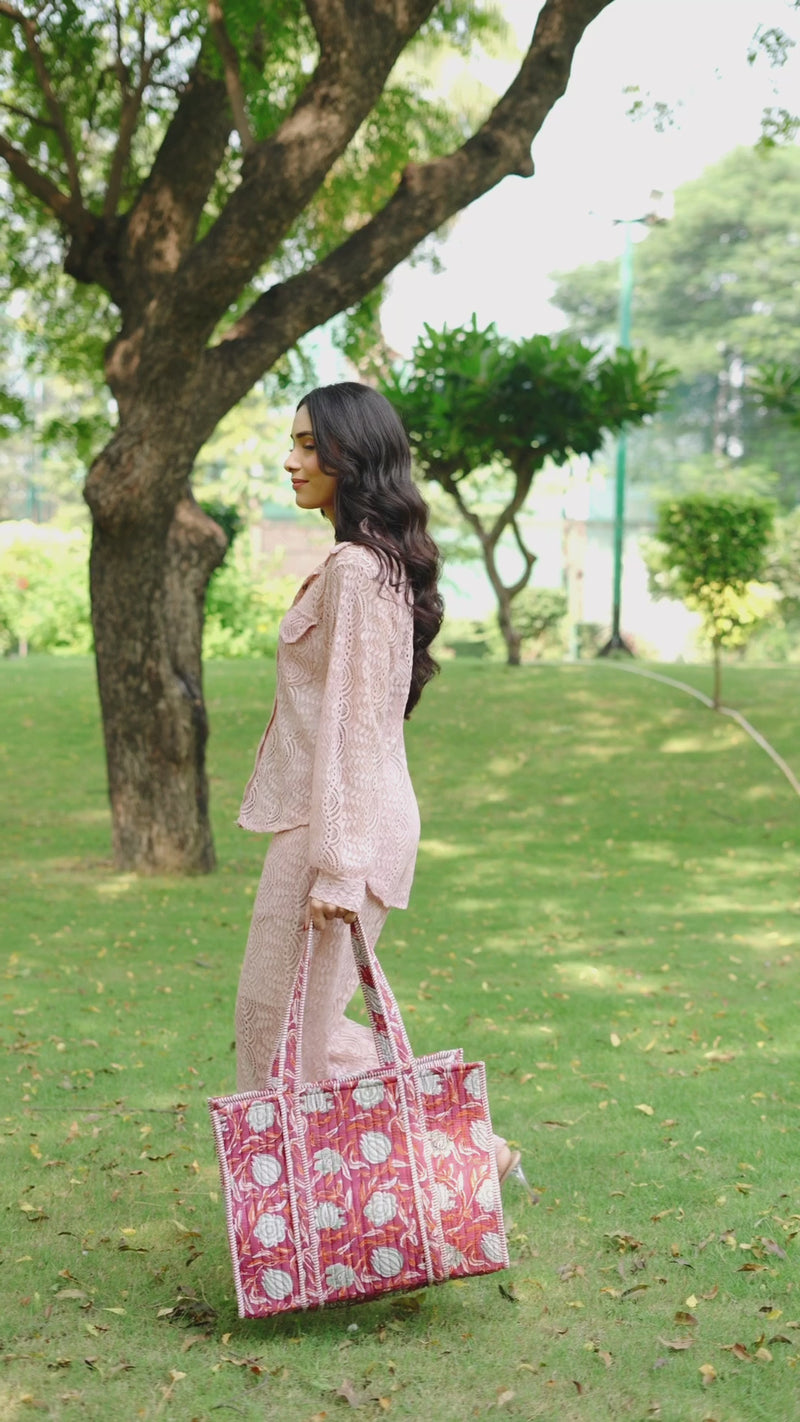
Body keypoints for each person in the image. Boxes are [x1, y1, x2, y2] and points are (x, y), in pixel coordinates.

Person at [234, 382, 521, 1187]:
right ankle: (457, 1154)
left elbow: (355, 725)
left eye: (308, 445)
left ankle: (452, 1159)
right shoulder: (367, 565)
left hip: (340, 828)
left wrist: (337, 865)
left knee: (279, 1033)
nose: (291, 461)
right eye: (293, 443)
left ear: (351, 456)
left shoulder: (359, 570)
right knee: (289, 1029)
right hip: (336, 820)